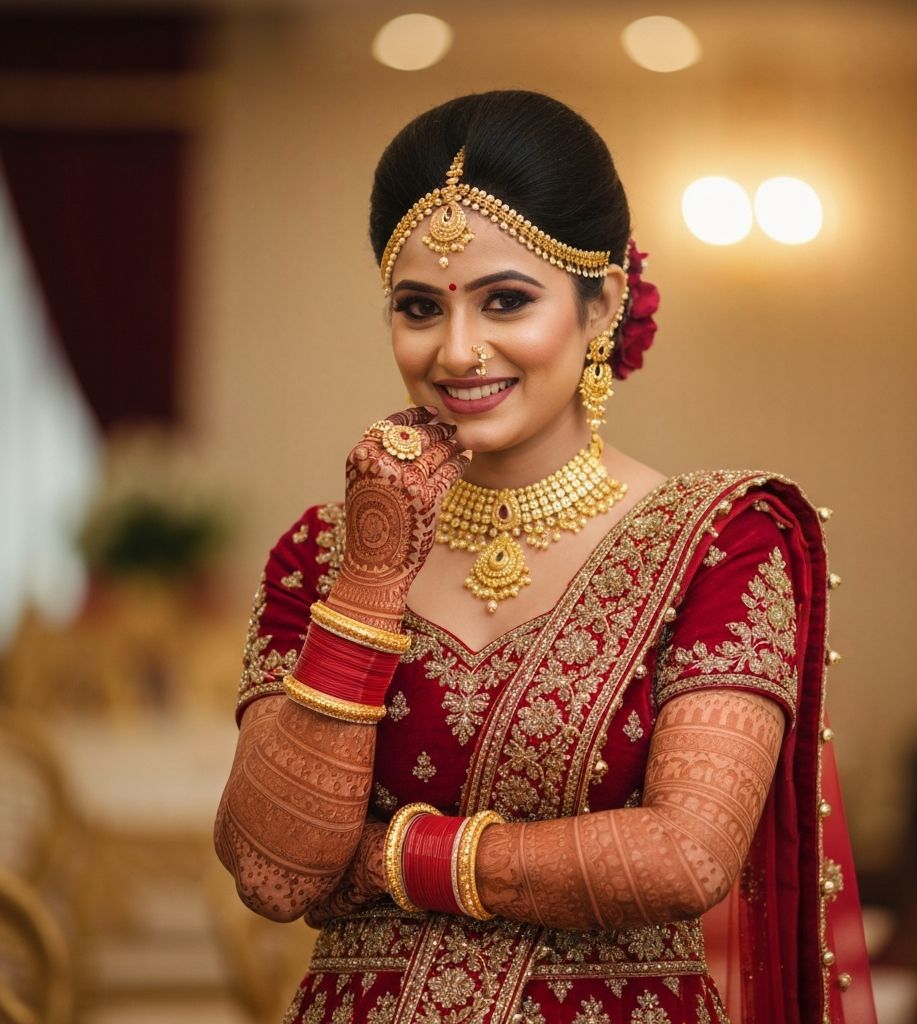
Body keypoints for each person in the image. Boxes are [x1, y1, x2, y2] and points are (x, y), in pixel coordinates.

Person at [214, 90, 877, 1024]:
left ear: (602, 303)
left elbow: (685, 856)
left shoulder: (720, 542)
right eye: (419, 307)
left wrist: (386, 858)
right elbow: (273, 873)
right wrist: (371, 579)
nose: (458, 352)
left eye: (507, 301)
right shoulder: (323, 553)